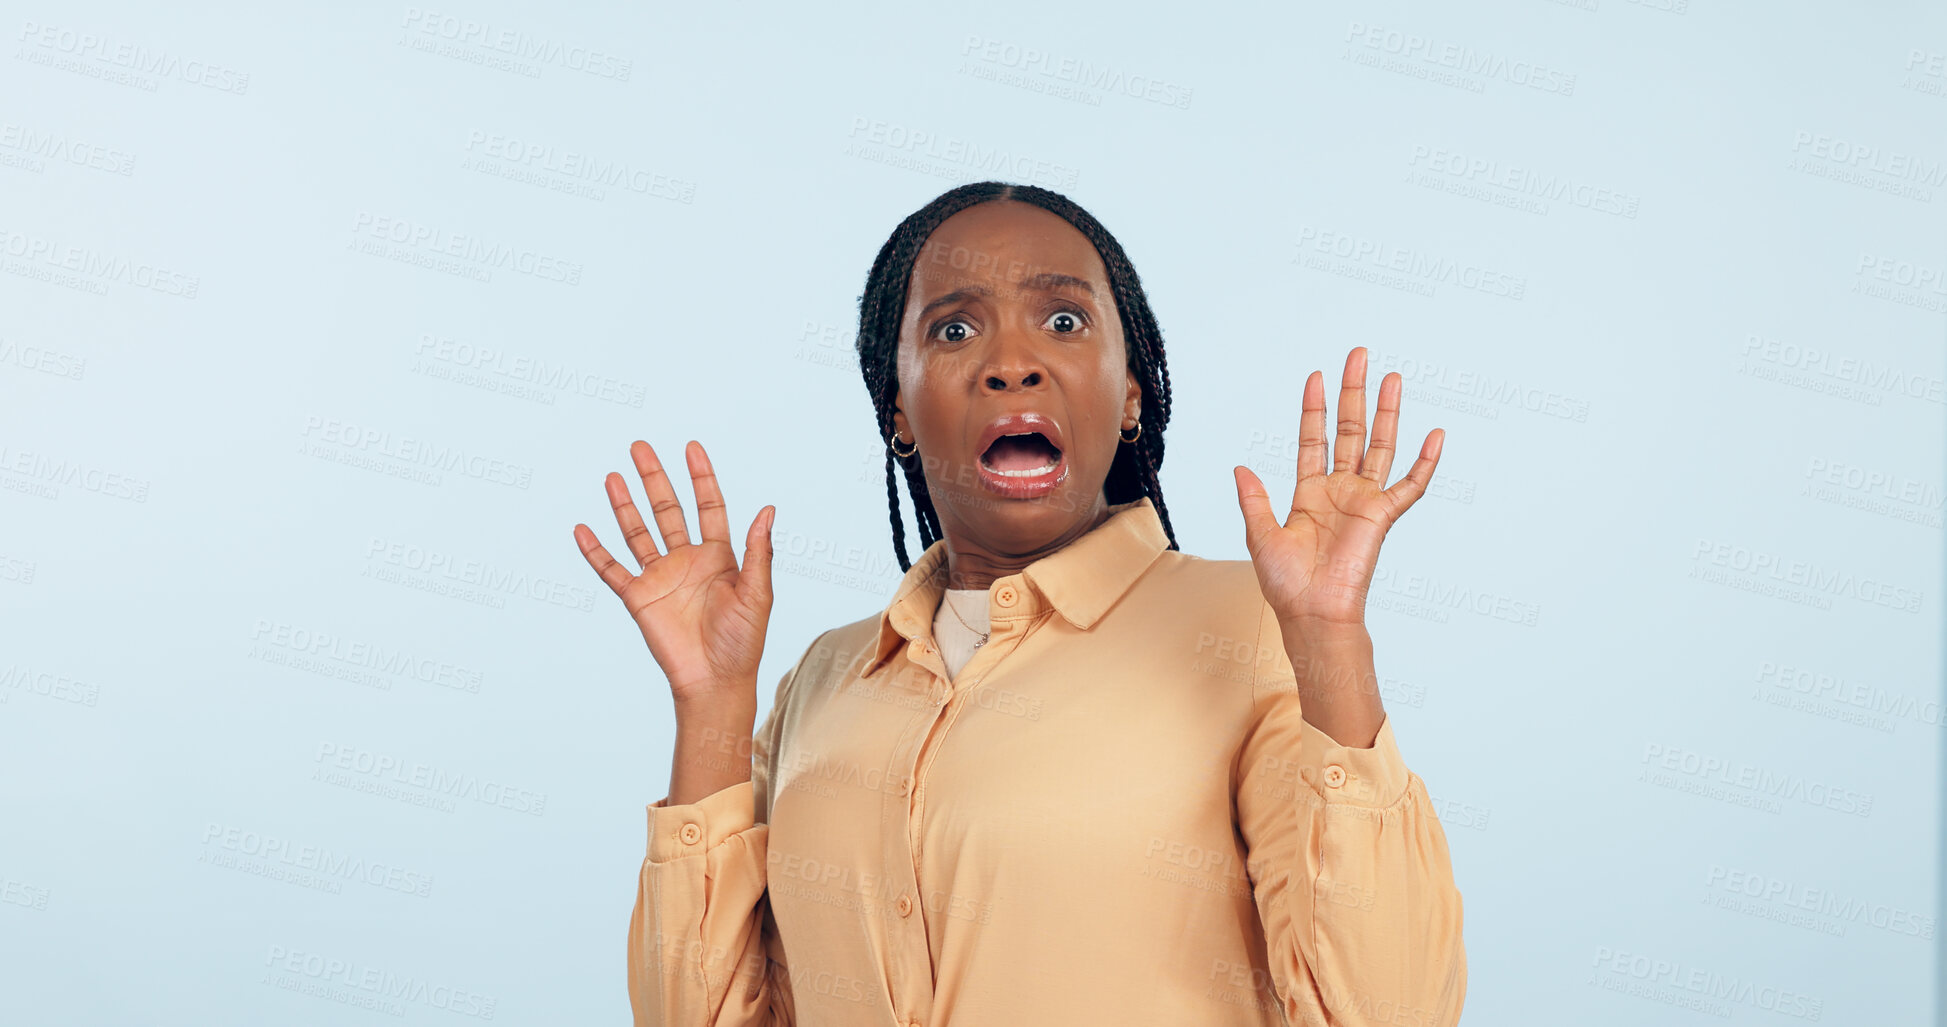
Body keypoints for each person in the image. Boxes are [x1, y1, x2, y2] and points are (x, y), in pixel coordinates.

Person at [574, 181, 1466, 1026]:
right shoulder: (823, 678)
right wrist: (711, 703)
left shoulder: (1246, 629)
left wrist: (1325, 638)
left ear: (1127, 394)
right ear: (900, 410)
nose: (1010, 364)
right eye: (955, 329)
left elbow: (1381, 1009)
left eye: (1064, 320)